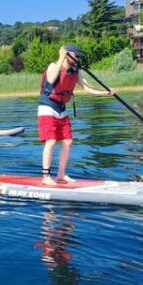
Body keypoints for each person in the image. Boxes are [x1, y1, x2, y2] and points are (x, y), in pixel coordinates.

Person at [38, 44, 112, 185]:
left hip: (61, 107)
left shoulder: (75, 71)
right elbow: (51, 80)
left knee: (68, 141)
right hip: (47, 106)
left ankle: (61, 175)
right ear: (68, 54)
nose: (78, 59)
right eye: (76, 56)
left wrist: (106, 93)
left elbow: (87, 87)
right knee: (51, 141)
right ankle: (46, 176)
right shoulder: (53, 66)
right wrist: (61, 58)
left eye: (78, 56)